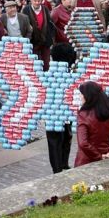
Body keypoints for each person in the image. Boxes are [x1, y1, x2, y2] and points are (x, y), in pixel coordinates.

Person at [74, 81, 109, 167]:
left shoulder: (83, 115)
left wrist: (98, 156)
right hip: (106, 156)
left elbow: (83, 143)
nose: (80, 97)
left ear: (88, 96)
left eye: (81, 94)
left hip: (86, 160)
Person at [47, 43, 75, 172]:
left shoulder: (50, 73)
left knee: (59, 138)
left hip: (55, 111)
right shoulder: (67, 73)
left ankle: (60, 165)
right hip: (57, 110)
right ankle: (59, 166)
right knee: (61, 137)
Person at [22, 0, 55, 71]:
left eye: (39, 1)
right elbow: (24, 26)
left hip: (45, 40)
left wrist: (51, 38)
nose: (37, 3)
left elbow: (50, 24)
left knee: (46, 63)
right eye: (35, 1)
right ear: (31, 1)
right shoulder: (26, 10)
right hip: (33, 41)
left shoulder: (45, 9)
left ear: (41, 0)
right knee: (34, 63)